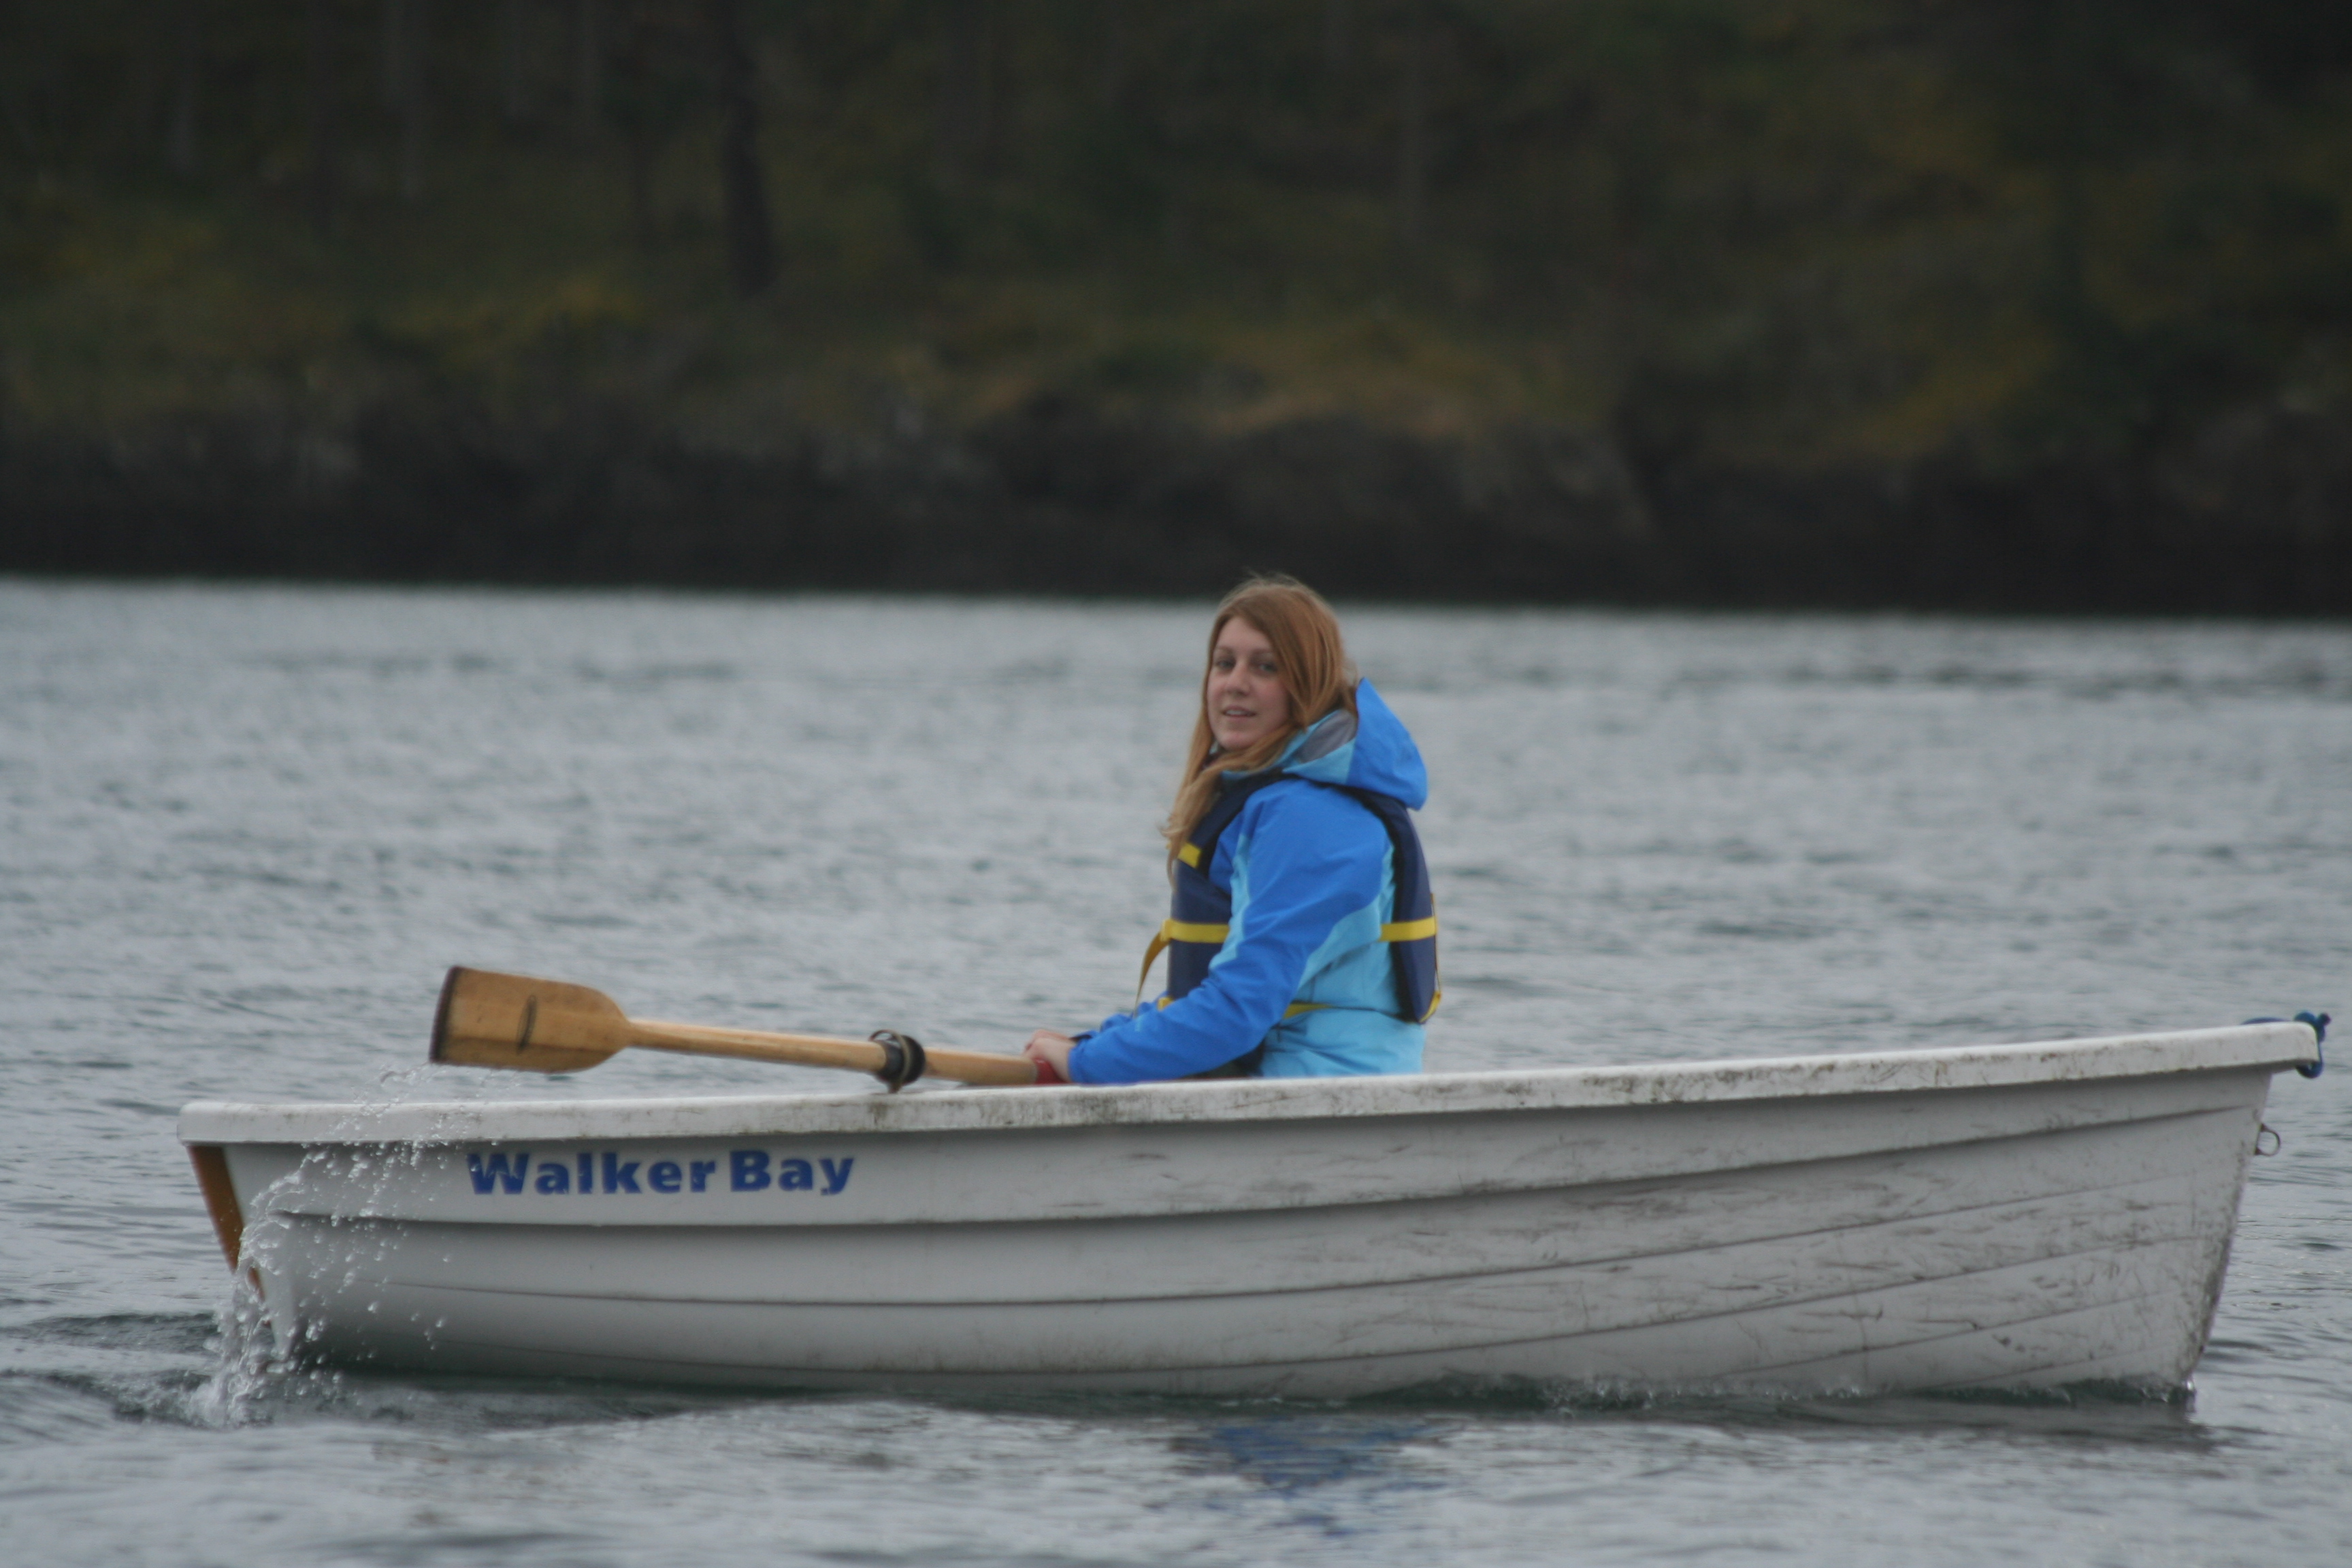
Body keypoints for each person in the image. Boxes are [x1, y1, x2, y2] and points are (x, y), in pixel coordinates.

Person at [1024, 576, 1437, 1085]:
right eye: (1224, 664)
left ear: (1308, 684)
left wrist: (1087, 1063)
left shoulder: (1315, 819)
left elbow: (1237, 1011)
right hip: (1274, 1077)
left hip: (1319, 1092)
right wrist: (1096, 1043)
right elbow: (1225, 996)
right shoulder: (1277, 799)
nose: (1235, 683)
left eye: (1265, 667)